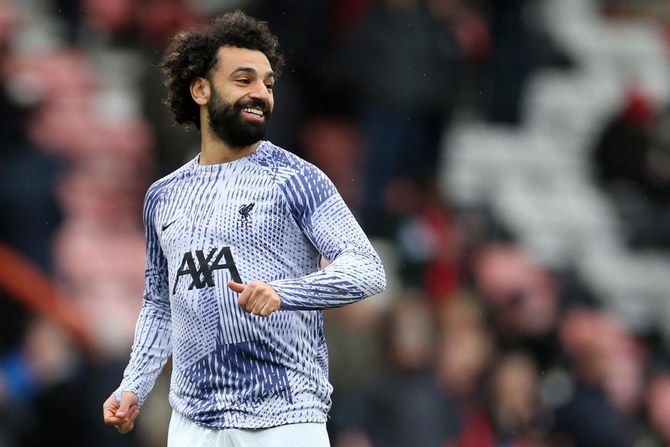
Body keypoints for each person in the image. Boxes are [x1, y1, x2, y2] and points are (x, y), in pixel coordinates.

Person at [101, 10, 386, 447]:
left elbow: (367, 269)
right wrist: (133, 385)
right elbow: (160, 305)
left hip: (285, 417)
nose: (261, 94)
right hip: (194, 423)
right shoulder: (162, 196)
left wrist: (284, 292)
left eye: (268, 83)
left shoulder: (296, 180)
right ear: (200, 89)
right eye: (244, 79)